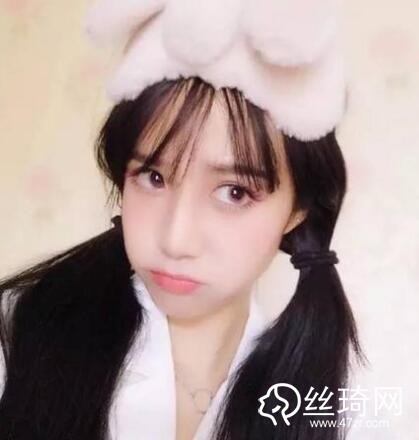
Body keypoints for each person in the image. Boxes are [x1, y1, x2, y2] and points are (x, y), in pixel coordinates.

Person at [0, 1, 367, 439]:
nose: (175, 239)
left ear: (297, 210)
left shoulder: (324, 405)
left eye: (234, 192)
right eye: (153, 177)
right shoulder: (17, 335)